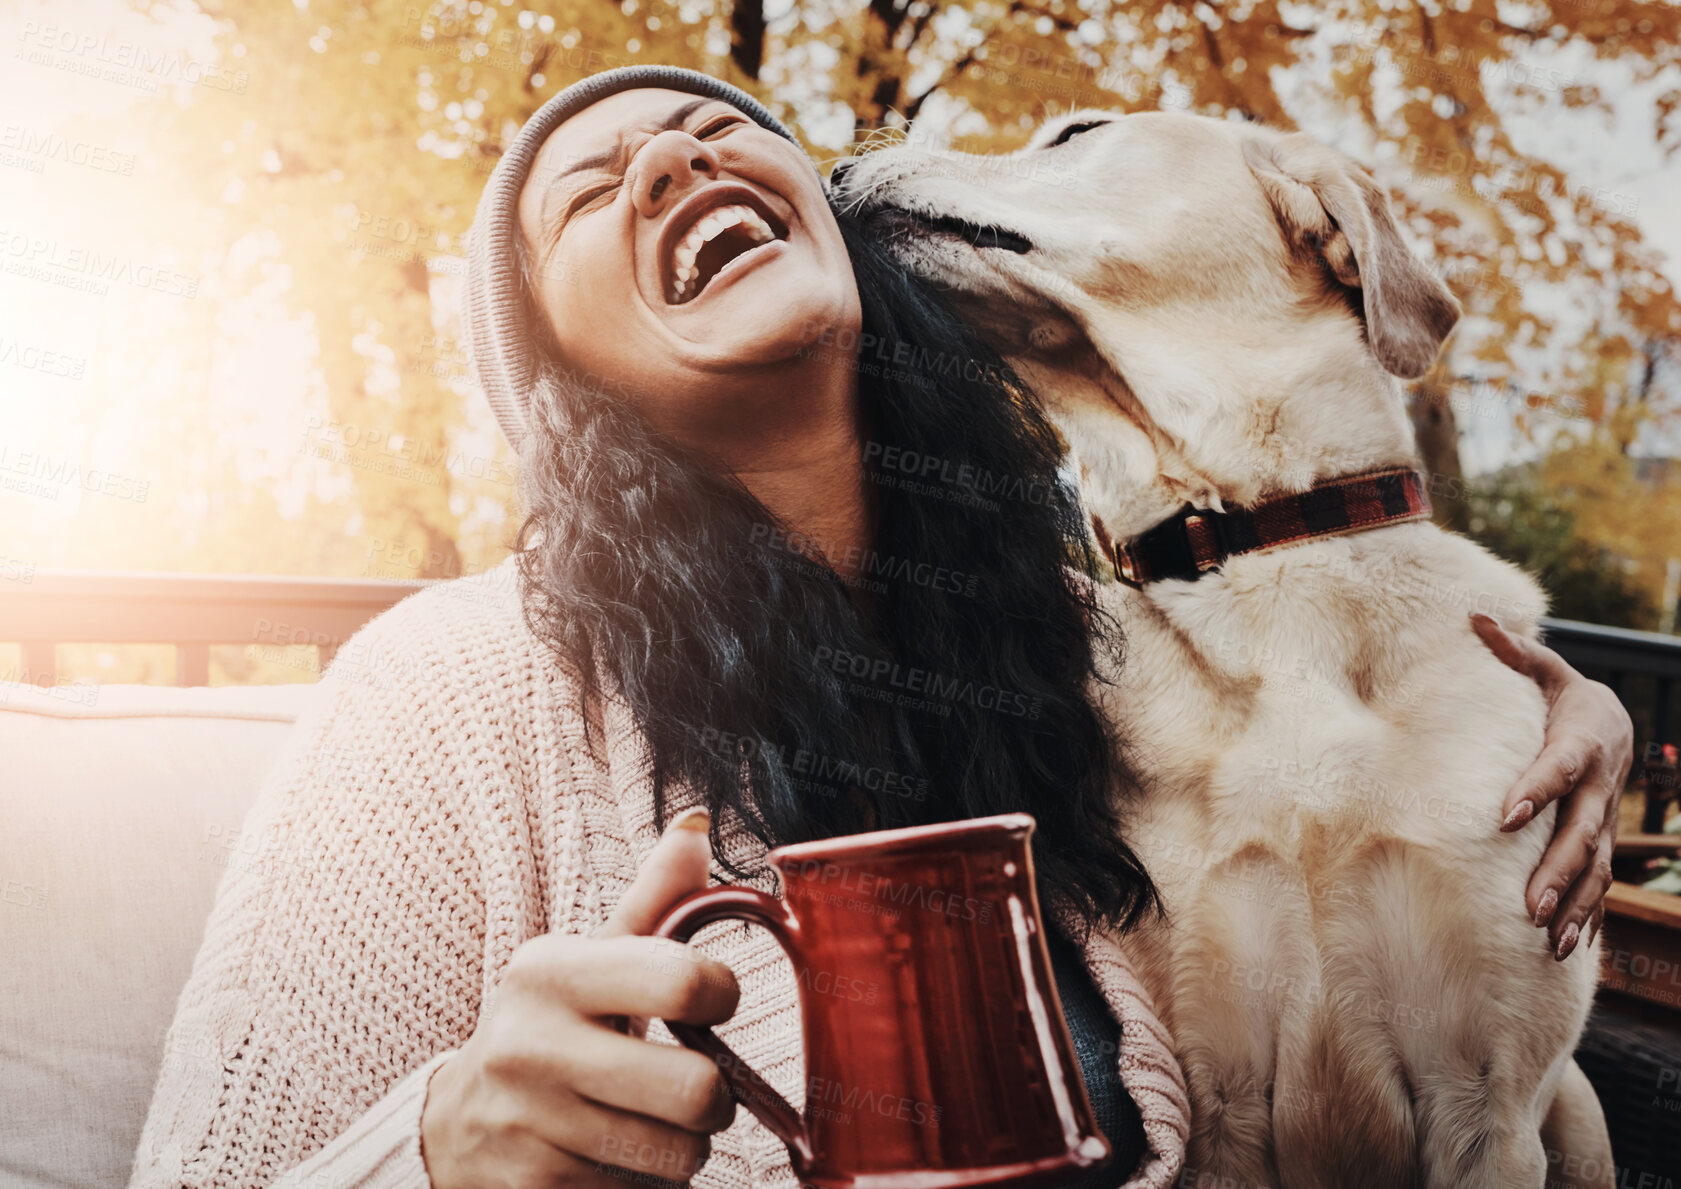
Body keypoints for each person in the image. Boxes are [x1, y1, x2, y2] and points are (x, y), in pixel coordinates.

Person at [130, 66, 1633, 1189]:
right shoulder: (445, 686)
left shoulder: (1087, 645)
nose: (670, 153)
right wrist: (440, 1149)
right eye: (590, 190)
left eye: (721, 133)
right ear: (561, 388)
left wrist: (1535, 704)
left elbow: (1322, 723)